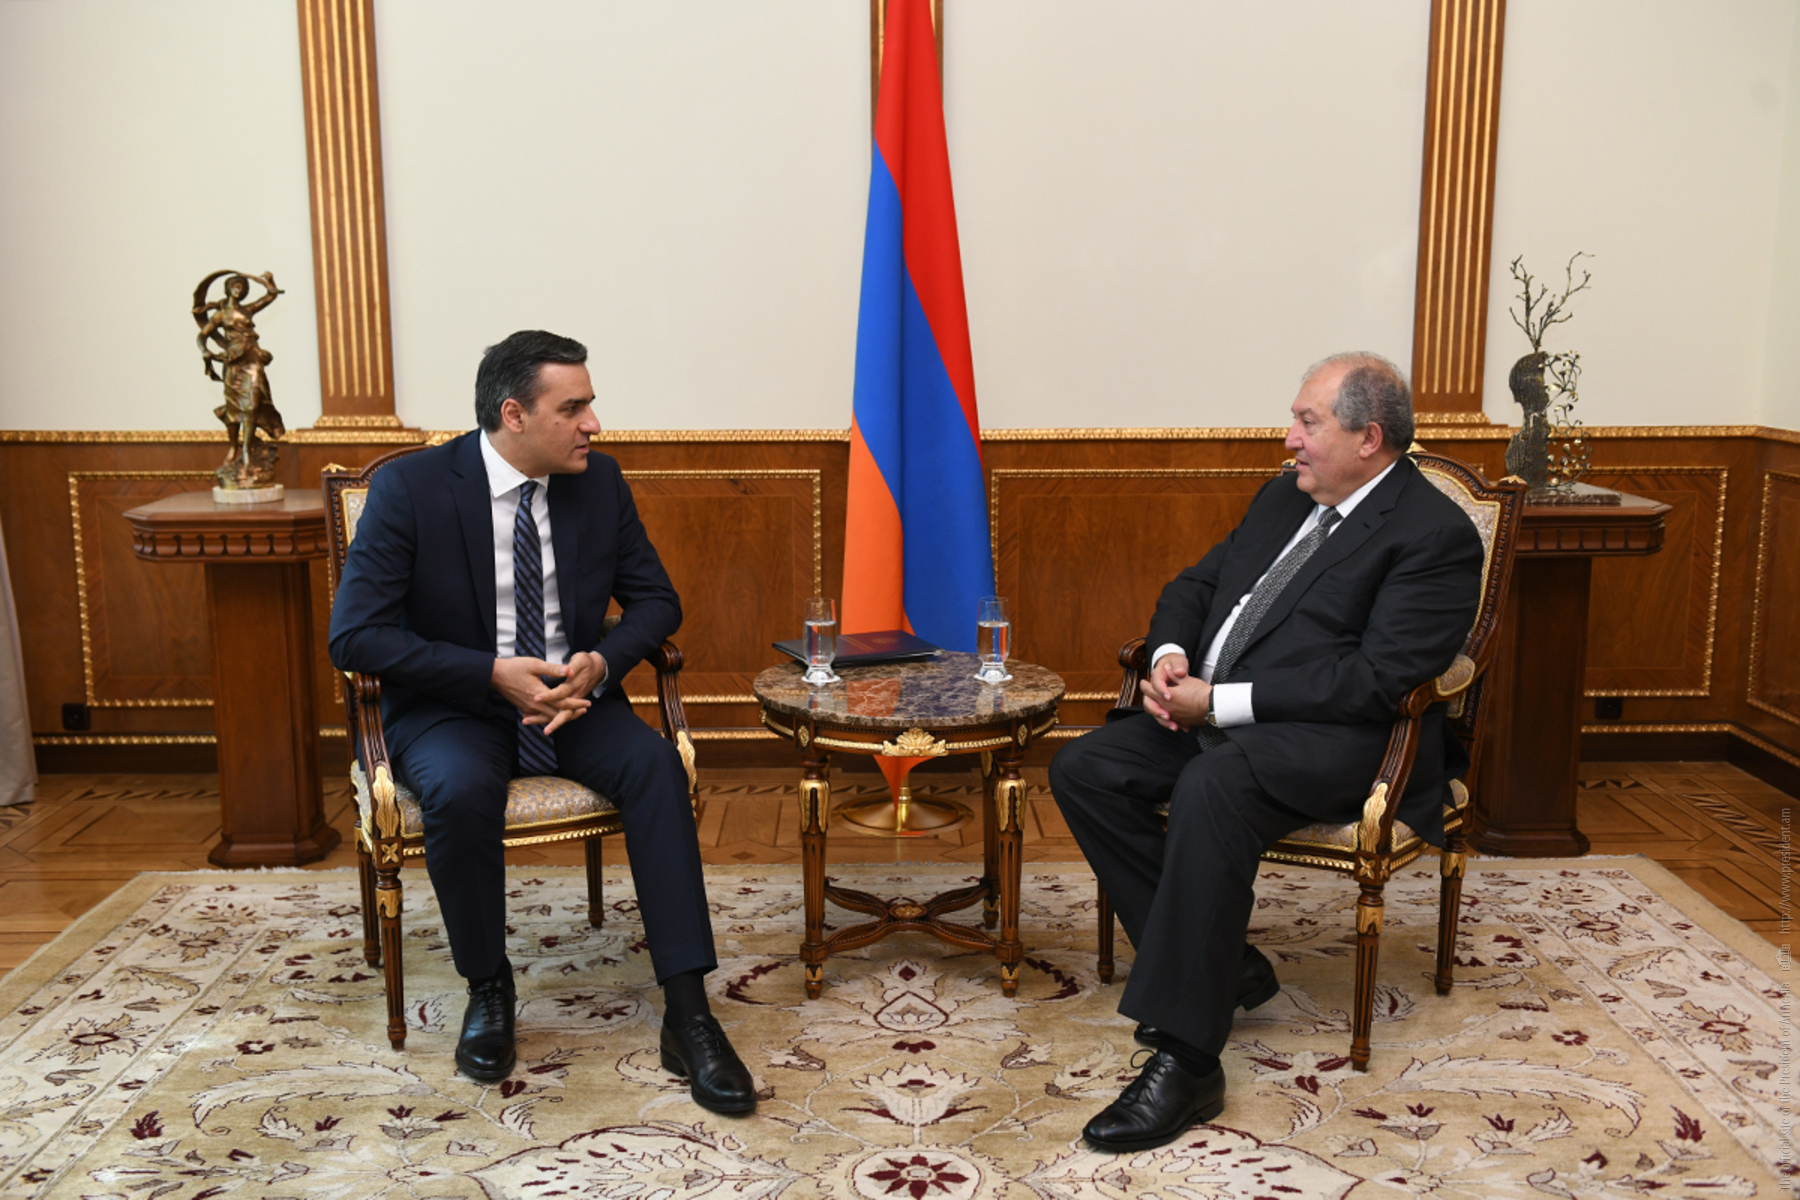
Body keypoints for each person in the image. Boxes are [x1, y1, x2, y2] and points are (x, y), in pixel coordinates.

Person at [1049, 353, 1484, 1152]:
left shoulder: (1435, 536)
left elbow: (1376, 681)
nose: (1289, 439)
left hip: (1346, 742)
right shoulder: (1285, 496)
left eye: (1307, 422)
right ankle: (1232, 968)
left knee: (1213, 786)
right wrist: (1169, 656)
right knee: (1086, 768)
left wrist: (1219, 703)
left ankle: (1189, 1060)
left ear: (1368, 438)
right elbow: (1195, 585)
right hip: (1219, 718)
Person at [328, 330, 755, 1114]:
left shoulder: (599, 482)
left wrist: (602, 662)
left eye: (590, 405)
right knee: (460, 790)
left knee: (656, 768)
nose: (594, 424)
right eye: (574, 408)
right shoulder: (412, 489)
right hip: (455, 705)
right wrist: (489, 673)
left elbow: (657, 602)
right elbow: (354, 637)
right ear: (514, 414)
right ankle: (488, 986)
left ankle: (689, 1012)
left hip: (571, 699)